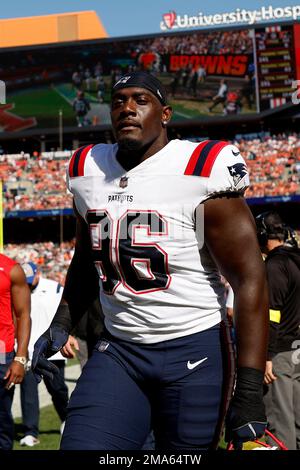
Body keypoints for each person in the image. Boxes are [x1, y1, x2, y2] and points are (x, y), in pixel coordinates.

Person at [32, 71, 268, 450]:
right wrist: (63, 320)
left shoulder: (199, 169)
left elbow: (248, 279)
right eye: (118, 100)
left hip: (194, 348)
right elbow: (85, 257)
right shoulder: (86, 169)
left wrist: (251, 388)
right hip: (120, 349)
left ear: (165, 114)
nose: (127, 108)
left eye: (140, 100)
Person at [256, 211, 300, 450]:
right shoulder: (296, 258)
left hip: (281, 352)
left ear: (262, 235)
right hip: (297, 348)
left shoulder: (275, 265)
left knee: (281, 424)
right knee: (297, 420)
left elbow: (272, 315)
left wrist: (267, 357)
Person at [19, 262, 69, 447]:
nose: (28, 284)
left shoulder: (55, 288)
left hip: (52, 350)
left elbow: (66, 315)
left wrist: (67, 336)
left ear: (38, 273)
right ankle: (30, 431)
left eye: (30, 280)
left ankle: (66, 418)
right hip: (28, 349)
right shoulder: (18, 291)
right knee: (28, 392)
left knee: (57, 389)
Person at [0, 254, 31, 450]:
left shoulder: (11, 269)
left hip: (1, 353)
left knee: (1, 418)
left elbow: (23, 315)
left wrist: (20, 357)